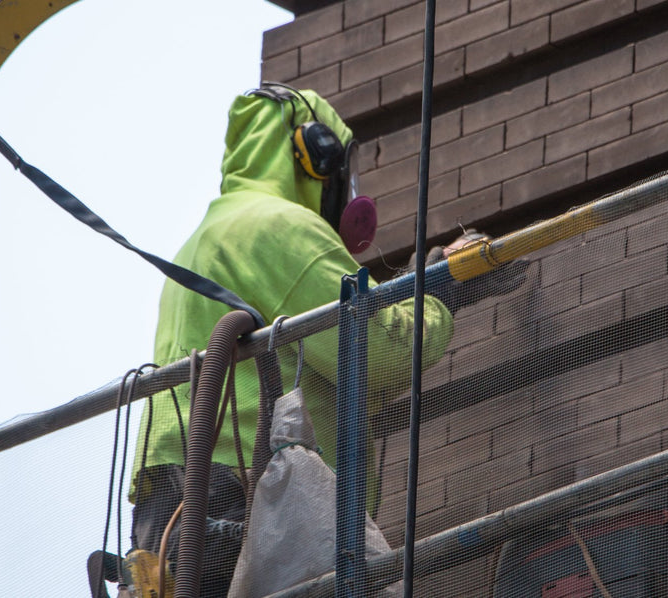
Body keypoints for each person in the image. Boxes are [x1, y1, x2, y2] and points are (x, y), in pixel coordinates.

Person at [127, 84, 459, 596]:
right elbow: (379, 353)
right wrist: (437, 296)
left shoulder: (199, 241)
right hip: (248, 491)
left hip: (168, 512)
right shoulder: (282, 228)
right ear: (316, 154)